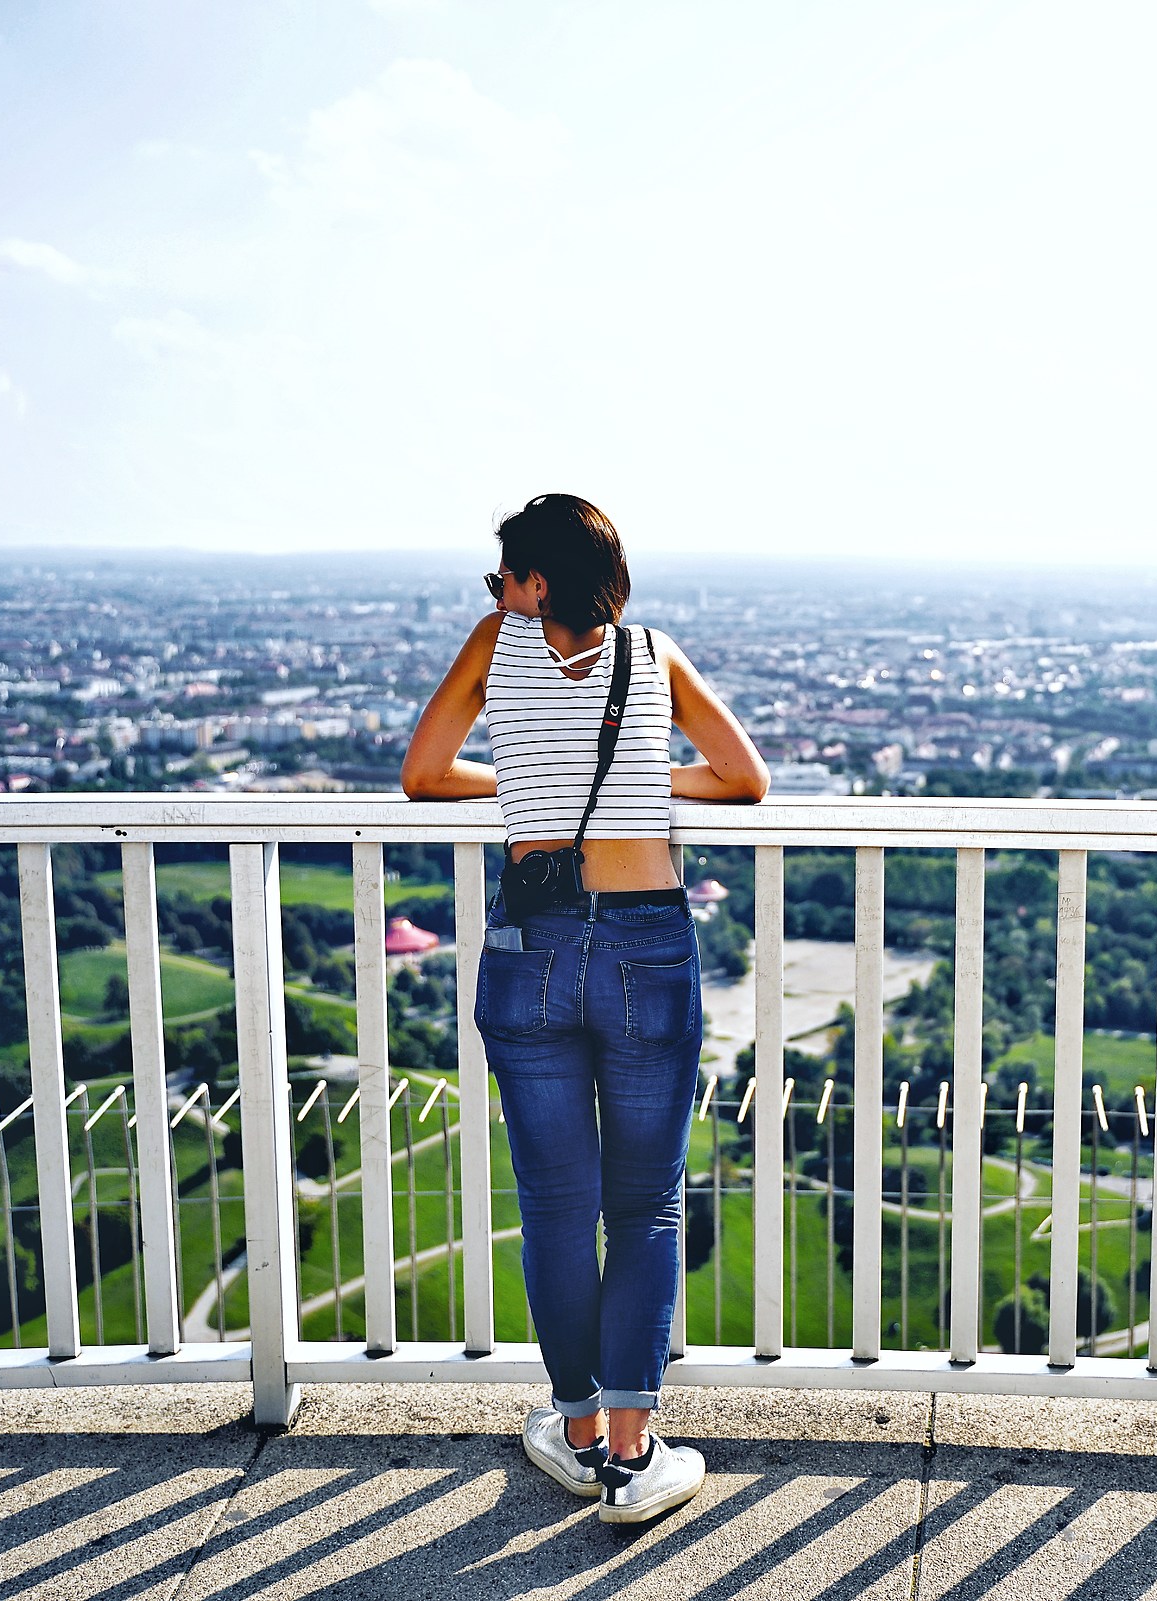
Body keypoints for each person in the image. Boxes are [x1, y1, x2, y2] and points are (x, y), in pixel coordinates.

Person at [402, 493, 768, 1523]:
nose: (497, 595)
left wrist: (521, 785)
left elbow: (424, 774)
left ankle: (569, 1430)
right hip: (647, 937)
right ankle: (630, 1452)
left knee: (556, 1202)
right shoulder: (653, 654)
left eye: (503, 578)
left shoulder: (496, 645)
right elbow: (744, 777)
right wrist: (640, 787)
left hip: (535, 944)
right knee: (646, 1199)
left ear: (537, 584)